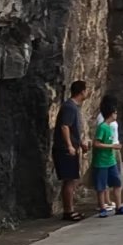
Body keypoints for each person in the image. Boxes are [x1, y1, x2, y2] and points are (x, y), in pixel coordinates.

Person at [91, 97, 123, 217]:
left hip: (111, 160)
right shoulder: (102, 127)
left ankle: (119, 206)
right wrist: (111, 146)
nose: (116, 115)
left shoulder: (109, 127)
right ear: (110, 113)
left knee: (117, 183)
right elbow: (96, 143)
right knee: (101, 186)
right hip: (101, 161)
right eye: (115, 112)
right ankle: (102, 207)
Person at [54, 80, 88, 221]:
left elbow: (73, 129)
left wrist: (80, 143)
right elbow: (65, 127)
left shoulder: (74, 107)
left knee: (72, 179)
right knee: (69, 180)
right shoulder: (70, 107)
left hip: (72, 146)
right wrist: (69, 145)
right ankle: (68, 211)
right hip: (65, 149)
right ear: (82, 92)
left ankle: (70, 209)